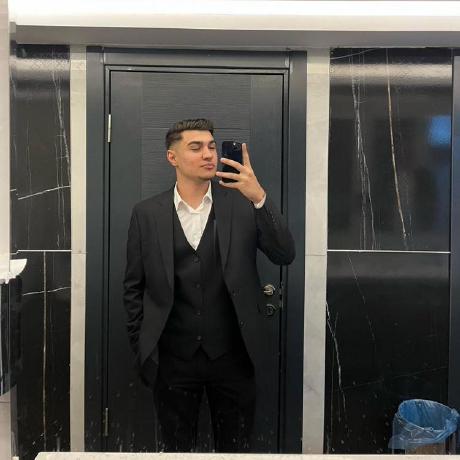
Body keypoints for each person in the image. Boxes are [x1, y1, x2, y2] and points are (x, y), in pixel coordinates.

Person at [123, 118, 295, 453]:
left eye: (212, 147)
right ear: (172, 157)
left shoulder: (242, 205)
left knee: (235, 449)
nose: (208, 154)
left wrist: (259, 197)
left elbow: (284, 254)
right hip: (171, 360)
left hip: (233, 356)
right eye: (196, 147)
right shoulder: (146, 214)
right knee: (176, 449)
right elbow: (133, 286)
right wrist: (142, 344)